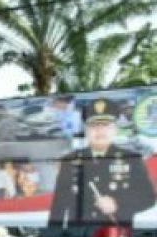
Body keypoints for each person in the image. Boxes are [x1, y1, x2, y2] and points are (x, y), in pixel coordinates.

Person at [48, 97, 156, 228]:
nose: (99, 131)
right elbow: (58, 205)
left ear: (115, 129)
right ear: (86, 131)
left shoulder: (132, 159)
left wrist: (117, 204)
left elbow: (148, 198)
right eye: (93, 126)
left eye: (105, 125)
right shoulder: (70, 160)